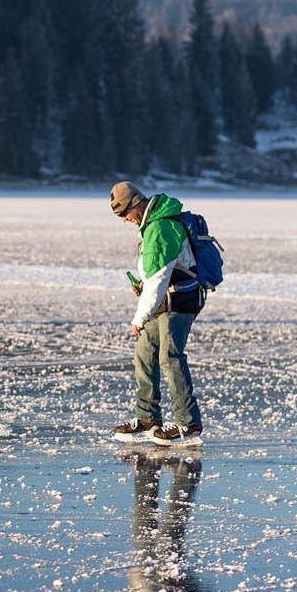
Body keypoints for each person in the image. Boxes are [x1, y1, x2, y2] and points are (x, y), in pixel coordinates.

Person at [110, 181, 203, 445]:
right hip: (163, 302)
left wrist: (139, 317)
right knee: (145, 353)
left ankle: (188, 422)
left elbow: (157, 279)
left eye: (124, 213)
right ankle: (148, 416)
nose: (124, 220)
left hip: (180, 302)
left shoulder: (161, 227)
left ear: (136, 204)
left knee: (170, 356)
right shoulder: (151, 225)